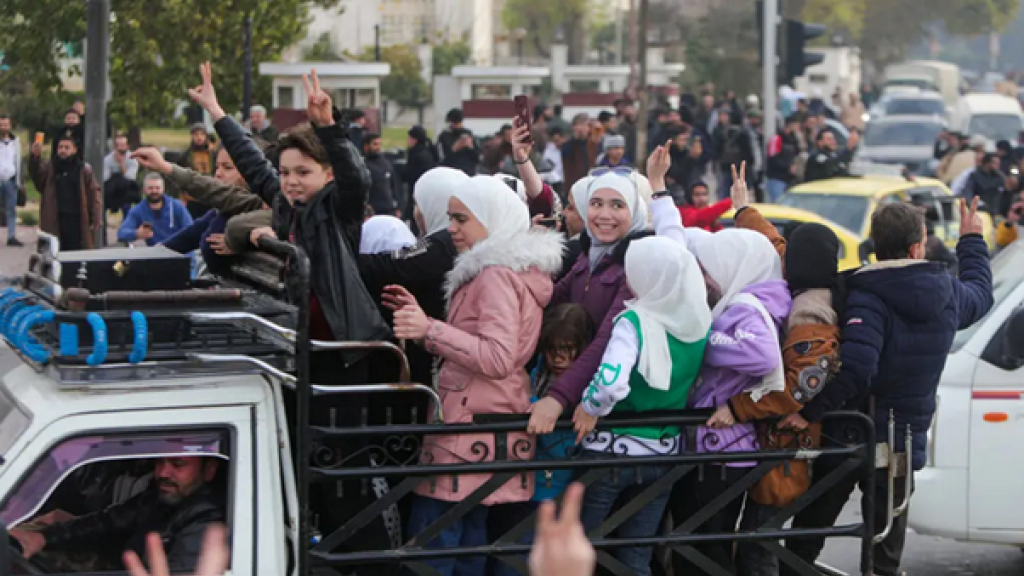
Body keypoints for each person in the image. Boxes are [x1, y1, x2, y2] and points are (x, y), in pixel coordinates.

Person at [781, 199, 994, 576]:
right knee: (884, 546)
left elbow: (860, 368)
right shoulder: (949, 293)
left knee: (808, 534)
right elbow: (981, 293)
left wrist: (810, 412)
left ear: (876, 246)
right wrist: (972, 238)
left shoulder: (864, 292)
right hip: (902, 440)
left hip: (850, 433)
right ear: (917, 247)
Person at [388, 175, 563, 576]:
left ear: (491, 219)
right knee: (469, 546)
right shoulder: (506, 270)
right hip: (486, 424)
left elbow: (498, 356)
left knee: (436, 547)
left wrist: (428, 329)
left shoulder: (494, 275)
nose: (451, 228)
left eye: (461, 218)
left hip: (469, 428)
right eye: (451, 217)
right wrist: (426, 322)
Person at [650, 161, 791, 576]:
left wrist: (702, 340)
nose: (707, 277)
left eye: (713, 268)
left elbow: (762, 357)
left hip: (723, 450)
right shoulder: (750, 298)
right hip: (718, 444)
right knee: (701, 543)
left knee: (704, 548)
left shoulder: (746, 307)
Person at [722, 172, 845, 576]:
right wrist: (745, 209)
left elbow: (801, 387)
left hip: (785, 442)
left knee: (760, 540)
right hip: (772, 438)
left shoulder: (812, 312)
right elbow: (776, 246)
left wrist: (737, 408)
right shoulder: (801, 284)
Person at [572, 226, 711, 575]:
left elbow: (609, 383)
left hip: (611, 450)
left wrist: (589, 407)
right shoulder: (698, 322)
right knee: (636, 553)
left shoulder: (634, 321)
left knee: (580, 548)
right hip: (663, 449)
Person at [526, 172, 649, 437]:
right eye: (596, 204)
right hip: (574, 396)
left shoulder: (635, 268)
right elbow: (544, 302)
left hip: (604, 412)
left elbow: (606, 340)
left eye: (617, 205)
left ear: (635, 210)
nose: (604, 214)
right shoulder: (588, 257)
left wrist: (558, 397)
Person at [10, 456, 225, 573]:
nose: (162, 473)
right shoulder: (165, 496)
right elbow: (111, 520)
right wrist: (45, 537)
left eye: (178, 465)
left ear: (209, 470)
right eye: (160, 462)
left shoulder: (206, 522)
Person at [133, 145, 266, 275]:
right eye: (217, 167)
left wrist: (236, 239)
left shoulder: (255, 207)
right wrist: (156, 252)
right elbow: (194, 232)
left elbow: (209, 243)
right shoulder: (224, 210)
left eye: (228, 168)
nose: (218, 173)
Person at [531, 304, 596, 502]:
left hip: (564, 489)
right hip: (531, 483)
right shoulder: (537, 375)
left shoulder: (592, 390)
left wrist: (533, 405)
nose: (558, 358)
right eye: (551, 349)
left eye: (566, 349)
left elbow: (565, 448)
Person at [29, 135, 101, 251]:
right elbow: (37, 177)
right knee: (53, 251)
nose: (63, 151)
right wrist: (35, 158)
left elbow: (94, 193)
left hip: (76, 219)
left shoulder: (83, 169)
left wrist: (96, 216)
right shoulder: (50, 168)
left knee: (77, 253)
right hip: (55, 218)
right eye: (60, 147)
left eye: (67, 147)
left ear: (74, 150)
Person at [118, 173, 193, 246]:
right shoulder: (138, 210)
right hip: (155, 254)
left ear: (163, 189)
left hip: (179, 252)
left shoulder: (177, 206)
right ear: (144, 189)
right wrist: (137, 233)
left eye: (157, 188)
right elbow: (121, 233)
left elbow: (190, 230)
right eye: (150, 188)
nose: (154, 191)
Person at [176, 123, 217, 219]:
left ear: (206, 136)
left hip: (210, 196)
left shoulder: (214, 155)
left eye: (202, 134)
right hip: (192, 198)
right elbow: (179, 176)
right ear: (192, 136)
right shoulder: (185, 156)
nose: (199, 137)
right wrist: (181, 196)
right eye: (196, 134)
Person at [401, 125, 439, 222]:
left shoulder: (416, 155)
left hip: (417, 193)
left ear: (415, 140)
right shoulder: (429, 151)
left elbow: (409, 174)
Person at [103, 133, 141, 220]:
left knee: (127, 189)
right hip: (112, 191)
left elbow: (130, 178)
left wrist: (121, 165)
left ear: (127, 146)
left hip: (126, 190)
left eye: (122, 145)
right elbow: (105, 178)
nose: (120, 148)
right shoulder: (108, 159)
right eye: (117, 145)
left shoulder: (133, 159)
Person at [362, 133, 401, 216]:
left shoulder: (386, 163)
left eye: (379, 144)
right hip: (372, 212)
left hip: (389, 210)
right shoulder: (362, 166)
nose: (378, 147)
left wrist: (398, 207)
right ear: (366, 146)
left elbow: (394, 185)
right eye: (375, 144)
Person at [0, 114, 24, 246]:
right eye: (1, 124)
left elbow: (19, 161)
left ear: (10, 126)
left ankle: (11, 236)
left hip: (11, 179)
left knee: (11, 209)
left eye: (6, 124)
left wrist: (21, 180)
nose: (3, 127)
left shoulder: (16, 142)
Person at [766, 115, 802, 201]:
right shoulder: (777, 139)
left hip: (789, 179)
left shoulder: (794, 139)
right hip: (777, 178)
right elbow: (772, 159)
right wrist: (787, 167)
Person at [437, 108, 481, 176]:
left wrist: (471, 147)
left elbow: (477, 157)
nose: (457, 125)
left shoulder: (468, 133)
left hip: (468, 172)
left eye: (459, 122)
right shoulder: (444, 136)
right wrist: (455, 148)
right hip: (451, 172)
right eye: (455, 122)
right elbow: (441, 158)